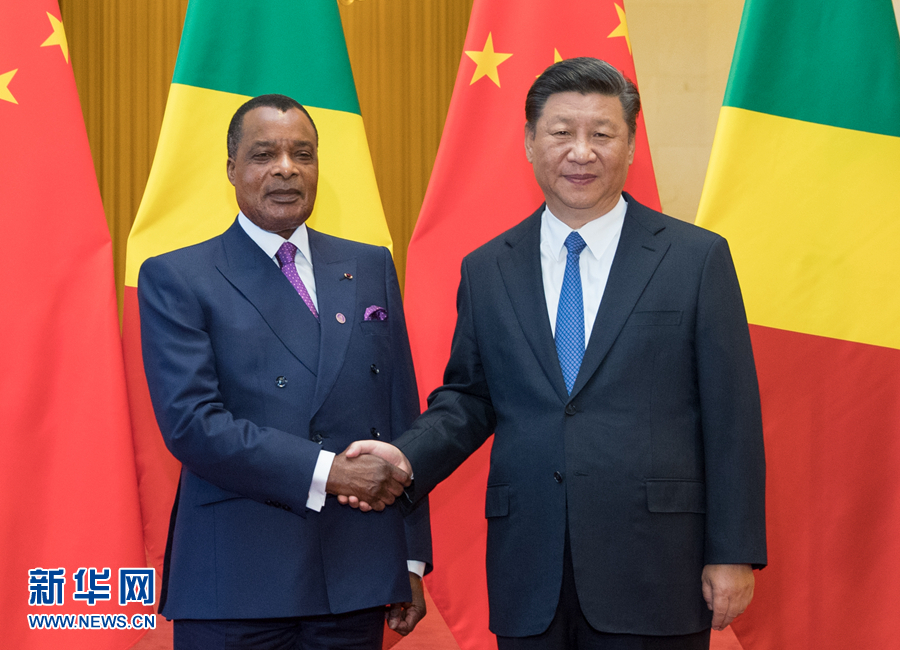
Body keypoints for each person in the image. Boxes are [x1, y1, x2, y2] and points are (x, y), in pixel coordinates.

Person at [343, 58, 766, 649]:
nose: (581, 152)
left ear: (631, 145)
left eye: (602, 133)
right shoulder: (488, 268)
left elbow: (732, 416)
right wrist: (404, 458)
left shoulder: (695, 259)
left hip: (656, 566)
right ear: (529, 141)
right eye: (562, 132)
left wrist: (734, 552)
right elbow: (470, 398)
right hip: (530, 567)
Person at [138, 93, 431, 650]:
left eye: (302, 153)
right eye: (264, 154)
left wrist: (410, 556)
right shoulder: (178, 276)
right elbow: (192, 425)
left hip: (357, 570)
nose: (286, 169)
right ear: (232, 169)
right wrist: (329, 473)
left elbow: (399, 414)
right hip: (237, 577)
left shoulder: (370, 265)